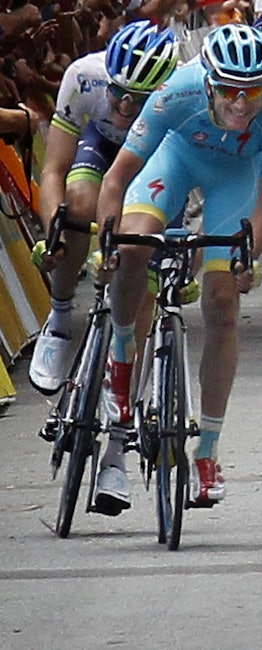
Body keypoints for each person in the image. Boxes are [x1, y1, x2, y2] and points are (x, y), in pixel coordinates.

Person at [93, 25, 262, 513]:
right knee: (137, 242)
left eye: (253, 90)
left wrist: (252, 254)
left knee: (223, 302)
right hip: (176, 160)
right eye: (229, 89)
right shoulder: (175, 93)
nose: (242, 103)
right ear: (209, 81)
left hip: (235, 179)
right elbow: (118, 178)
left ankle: (206, 452)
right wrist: (107, 242)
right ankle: (121, 363)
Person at [28, 23, 181, 393]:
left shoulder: (181, 94)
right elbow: (54, 169)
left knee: (144, 263)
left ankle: (124, 377)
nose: (125, 107)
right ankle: (60, 318)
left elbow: (186, 178)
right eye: (119, 93)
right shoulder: (84, 76)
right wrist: (54, 232)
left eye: (138, 99)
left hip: (156, 155)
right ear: (107, 78)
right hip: (100, 146)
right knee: (78, 203)